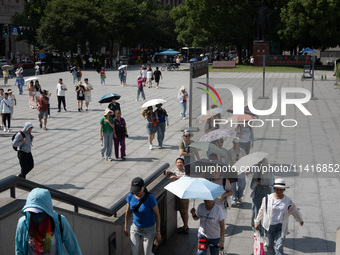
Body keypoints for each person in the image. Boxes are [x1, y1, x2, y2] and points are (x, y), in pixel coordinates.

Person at [15, 188, 82, 254]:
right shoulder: (23, 223)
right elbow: (19, 250)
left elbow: (73, 248)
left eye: (39, 213)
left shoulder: (60, 221)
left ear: (47, 210)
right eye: (32, 212)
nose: (36, 216)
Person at [255, 179, 304, 255]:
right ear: (274, 189)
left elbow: (294, 210)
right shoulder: (267, 199)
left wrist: (300, 219)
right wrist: (257, 222)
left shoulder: (287, 201)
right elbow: (261, 211)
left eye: (281, 189)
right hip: (269, 226)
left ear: (284, 190)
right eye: (277, 189)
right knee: (269, 246)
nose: (279, 191)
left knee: (279, 246)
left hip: (280, 227)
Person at [124, 177, 161, 255]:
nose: (135, 192)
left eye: (137, 190)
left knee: (147, 253)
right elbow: (127, 212)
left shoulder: (150, 198)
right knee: (134, 252)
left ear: (143, 187)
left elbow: (157, 215)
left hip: (149, 230)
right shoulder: (130, 196)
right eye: (134, 190)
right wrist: (126, 227)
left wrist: (158, 232)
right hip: (135, 228)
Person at [250, 158, 274, 238]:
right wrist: (256, 182)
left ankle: (264, 233)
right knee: (256, 215)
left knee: (266, 215)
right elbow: (251, 187)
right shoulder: (256, 174)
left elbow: (273, 185)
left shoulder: (270, 173)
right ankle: (256, 231)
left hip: (267, 196)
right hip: (257, 196)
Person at [167, 158, 190, 234]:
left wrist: (175, 177)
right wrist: (171, 173)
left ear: (183, 164)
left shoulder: (186, 172)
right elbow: (175, 174)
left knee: (184, 211)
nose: (179, 164)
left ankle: (186, 226)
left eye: (181, 162)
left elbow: (185, 179)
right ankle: (184, 226)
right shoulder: (176, 171)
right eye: (178, 162)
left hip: (184, 195)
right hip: (178, 194)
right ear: (176, 164)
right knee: (181, 210)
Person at [228, 137, 247, 206]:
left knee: (242, 185)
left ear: (239, 143)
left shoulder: (242, 151)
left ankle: (239, 195)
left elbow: (245, 160)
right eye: (234, 142)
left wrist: (246, 169)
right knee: (232, 185)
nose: (235, 144)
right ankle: (233, 199)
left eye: (236, 143)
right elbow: (228, 161)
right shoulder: (230, 151)